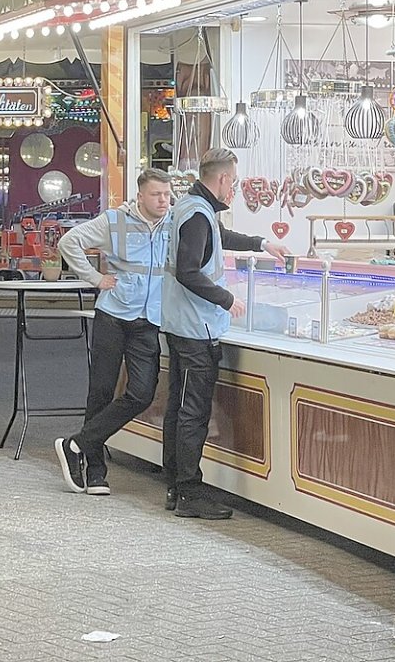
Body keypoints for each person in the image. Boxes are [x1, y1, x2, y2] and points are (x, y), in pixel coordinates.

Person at [162, 147, 288, 519]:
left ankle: (177, 485)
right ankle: (188, 491)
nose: (234, 187)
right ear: (222, 179)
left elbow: (220, 238)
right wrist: (225, 299)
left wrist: (263, 244)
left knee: (180, 407)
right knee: (193, 412)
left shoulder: (192, 207)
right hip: (194, 328)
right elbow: (188, 270)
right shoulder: (197, 214)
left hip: (182, 322)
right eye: (233, 180)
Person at [54, 168, 173, 496]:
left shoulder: (174, 222)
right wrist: (95, 278)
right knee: (102, 390)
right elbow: (69, 242)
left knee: (141, 393)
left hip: (149, 319)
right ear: (140, 195)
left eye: (166, 194)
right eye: (156, 195)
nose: (163, 200)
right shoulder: (114, 220)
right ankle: (95, 470)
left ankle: (75, 444)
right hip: (113, 315)